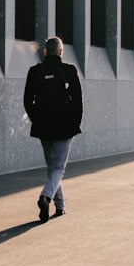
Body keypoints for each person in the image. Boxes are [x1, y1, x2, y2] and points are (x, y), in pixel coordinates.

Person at [23, 36, 83, 222]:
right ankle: (45, 197)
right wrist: (75, 122)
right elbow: (78, 100)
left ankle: (60, 206)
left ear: (45, 52)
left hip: (43, 126)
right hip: (65, 126)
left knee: (53, 167)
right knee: (58, 167)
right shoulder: (69, 70)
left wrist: (36, 118)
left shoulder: (35, 71)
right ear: (61, 52)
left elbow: (27, 100)